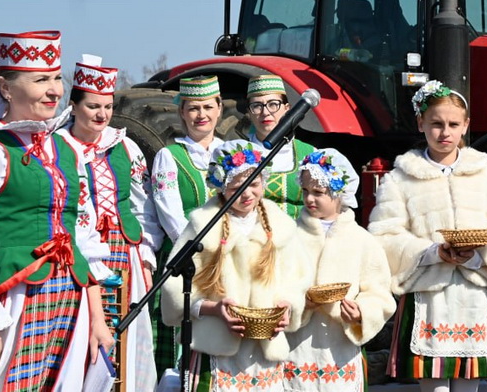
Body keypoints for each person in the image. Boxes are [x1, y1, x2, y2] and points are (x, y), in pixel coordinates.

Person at [368, 80, 487, 392]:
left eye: (453, 124)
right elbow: (384, 235)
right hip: (427, 293)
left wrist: (476, 257)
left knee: (468, 384)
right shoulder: (400, 179)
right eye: (436, 124)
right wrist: (434, 252)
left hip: (472, 291)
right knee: (434, 384)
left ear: (466, 126)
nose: (445, 132)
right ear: (420, 123)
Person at [0, 30, 115, 391]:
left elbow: (82, 235)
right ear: (5, 88)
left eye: (57, 78)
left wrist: (98, 318)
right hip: (12, 296)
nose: (55, 90)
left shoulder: (65, 148)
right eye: (40, 80)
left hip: (69, 294)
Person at [162, 144, 307, 392]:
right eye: (236, 187)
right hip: (215, 346)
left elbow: (298, 278)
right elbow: (173, 285)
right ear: (221, 187)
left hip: (263, 350)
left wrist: (288, 306)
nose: (247, 193)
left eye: (254, 184)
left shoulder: (280, 225)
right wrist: (213, 308)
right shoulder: (203, 225)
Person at [57, 55, 161, 392]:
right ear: (73, 106)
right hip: (75, 254)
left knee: (127, 333)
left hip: (122, 249)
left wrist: (145, 257)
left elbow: (143, 205)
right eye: (93, 106)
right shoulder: (59, 147)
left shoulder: (125, 146)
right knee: (82, 331)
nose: (102, 114)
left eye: (107, 106)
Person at [285, 150, 396, 392]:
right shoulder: (289, 236)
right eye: (305, 191)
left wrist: (362, 312)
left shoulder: (361, 240)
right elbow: (277, 284)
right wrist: (300, 302)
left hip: (340, 347)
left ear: (339, 194)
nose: (309, 198)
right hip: (298, 345)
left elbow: (378, 291)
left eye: (318, 192)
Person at [150, 75, 227, 379]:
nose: (201, 115)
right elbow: (168, 209)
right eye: (193, 108)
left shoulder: (231, 152)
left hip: (226, 253)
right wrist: (196, 248)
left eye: (208, 107)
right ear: (181, 112)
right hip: (184, 255)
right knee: (181, 328)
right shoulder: (170, 156)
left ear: (219, 109)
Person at [223, 75, 359, 218]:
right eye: (257, 106)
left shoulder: (311, 155)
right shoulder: (234, 155)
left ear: (287, 109)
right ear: (249, 113)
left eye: (273, 104)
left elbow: (335, 208)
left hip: (299, 230)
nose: (265, 112)